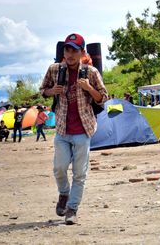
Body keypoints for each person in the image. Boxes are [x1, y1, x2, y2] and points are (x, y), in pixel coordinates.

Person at [40, 33, 108, 225]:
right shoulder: (54, 70)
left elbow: (103, 98)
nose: (69, 54)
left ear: (82, 53)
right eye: (67, 50)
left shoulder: (91, 72)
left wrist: (89, 88)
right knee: (59, 169)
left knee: (79, 173)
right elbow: (42, 90)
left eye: (74, 51)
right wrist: (51, 91)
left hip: (83, 130)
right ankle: (64, 193)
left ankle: (72, 209)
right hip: (62, 129)